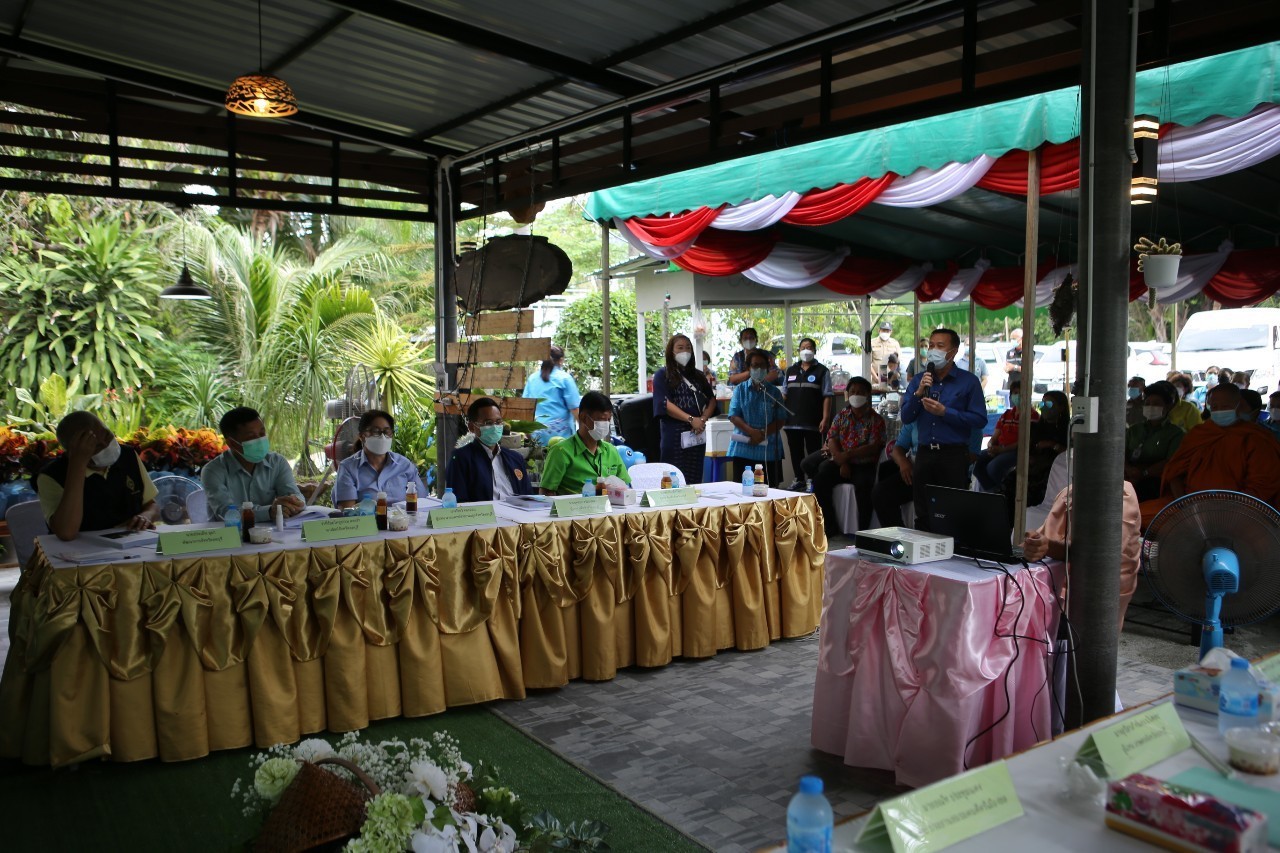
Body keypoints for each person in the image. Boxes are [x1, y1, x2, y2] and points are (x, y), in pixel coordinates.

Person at [1140, 382, 1280, 527]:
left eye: (1225, 407)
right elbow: (1175, 473)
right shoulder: (1199, 434)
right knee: (1134, 515)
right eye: (1214, 407)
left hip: (1240, 509)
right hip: (1189, 504)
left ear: (1238, 406)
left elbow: (1263, 485)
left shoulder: (1256, 438)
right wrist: (1185, 505)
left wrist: (1226, 511)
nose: (1219, 411)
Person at [1021, 480, 1142, 633]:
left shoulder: (1121, 495)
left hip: (1093, 593)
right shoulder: (1069, 491)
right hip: (1055, 582)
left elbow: (1098, 554)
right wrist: (1033, 543)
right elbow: (1045, 537)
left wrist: (1047, 547)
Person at [900, 328, 987, 530]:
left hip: (953, 455)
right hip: (924, 454)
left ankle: (951, 557)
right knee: (923, 512)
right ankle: (922, 557)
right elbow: (906, 416)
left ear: (953, 352)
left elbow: (979, 419)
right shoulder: (918, 380)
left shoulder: (969, 382)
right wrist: (919, 393)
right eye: (931, 345)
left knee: (952, 512)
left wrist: (945, 412)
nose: (933, 350)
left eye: (940, 346)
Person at [35, 411, 159, 540]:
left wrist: (146, 515)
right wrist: (78, 464)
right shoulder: (51, 475)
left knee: (176, 547)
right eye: (96, 445)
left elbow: (152, 505)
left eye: (107, 435)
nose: (106, 445)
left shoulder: (128, 455)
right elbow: (66, 532)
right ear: (73, 451)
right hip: (82, 553)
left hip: (132, 544)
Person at [804, 378, 885, 535]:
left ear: (868, 394)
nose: (856, 395)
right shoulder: (842, 415)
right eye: (853, 391)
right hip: (842, 462)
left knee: (864, 488)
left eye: (860, 392)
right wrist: (842, 462)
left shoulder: (876, 420)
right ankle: (830, 526)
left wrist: (846, 456)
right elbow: (832, 438)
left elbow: (873, 447)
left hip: (864, 465)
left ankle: (863, 533)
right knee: (820, 482)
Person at [872, 419, 984, 529]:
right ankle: (897, 538)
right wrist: (903, 462)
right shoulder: (915, 417)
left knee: (932, 508)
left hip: (949, 475)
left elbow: (973, 455)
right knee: (881, 493)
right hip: (915, 472)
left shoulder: (968, 420)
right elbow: (898, 448)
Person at [202, 406, 305, 522]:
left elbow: (295, 495)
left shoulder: (277, 462)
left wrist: (293, 502)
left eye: (262, 433)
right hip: (228, 535)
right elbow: (227, 513)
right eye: (251, 437)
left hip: (272, 535)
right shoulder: (213, 471)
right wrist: (269, 511)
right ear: (232, 443)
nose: (260, 440)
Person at [652, 333, 718, 485]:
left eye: (688, 348)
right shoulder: (663, 374)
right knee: (673, 478)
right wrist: (690, 419)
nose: (685, 352)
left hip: (697, 433)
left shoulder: (699, 376)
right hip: (674, 433)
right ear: (671, 351)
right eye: (680, 348)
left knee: (694, 478)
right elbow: (664, 403)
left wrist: (702, 419)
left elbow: (711, 401)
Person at [540, 391, 631, 495]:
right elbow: (546, 492)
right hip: (574, 509)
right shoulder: (561, 452)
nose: (605, 424)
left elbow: (625, 486)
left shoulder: (611, 451)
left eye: (608, 420)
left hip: (610, 508)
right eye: (601, 420)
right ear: (583, 417)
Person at [334, 409, 426, 508]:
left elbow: (422, 502)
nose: (382, 436)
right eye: (376, 431)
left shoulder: (404, 465)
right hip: (368, 522)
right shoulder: (348, 468)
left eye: (387, 432)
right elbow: (348, 512)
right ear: (362, 436)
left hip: (403, 522)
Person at [446, 397, 532, 502]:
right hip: (483, 516)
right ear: (472, 427)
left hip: (517, 515)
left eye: (498, 422)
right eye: (488, 423)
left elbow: (528, 498)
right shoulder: (461, 459)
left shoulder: (515, 459)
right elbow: (459, 501)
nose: (495, 427)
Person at [727, 349, 788, 486]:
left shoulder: (774, 392)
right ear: (748, 368)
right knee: (742, 492)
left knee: (771, 492)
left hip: (769, 449)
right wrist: (752, 432)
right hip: (744, 447)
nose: (758, 369)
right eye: (755, 365)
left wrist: (762, 433)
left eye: (762, 365)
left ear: (767, 368)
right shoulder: (740, 390)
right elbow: (733, 416)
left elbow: (781, 419)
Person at [782, 336, 834, 490]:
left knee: (813, 452)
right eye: (803, 347)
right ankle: (799, 479)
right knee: (795, 452)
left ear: (815, 351)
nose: (806, 350)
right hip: (791, 422)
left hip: (813, 421)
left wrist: (825, 418)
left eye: (809, 347)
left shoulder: (822, 371)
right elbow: (784, 394)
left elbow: (827, 396)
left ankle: (812, 480)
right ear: (799, 351)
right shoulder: (790, 370)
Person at [973, 375, 1037, 491]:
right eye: (1015, 393)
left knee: (993, 467)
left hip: (1017, 451)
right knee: (976, 462)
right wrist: (991, 445)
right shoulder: (1007, 414)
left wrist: (1001, 450)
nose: (1017, 396)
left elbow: (1023, 441)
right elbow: (995, 435)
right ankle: (994, 491)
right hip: (999, 448)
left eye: (1020, 393)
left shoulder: (1032, 416)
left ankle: (1001, 494)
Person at [1123, 382, 1185, 502]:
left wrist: (1144, 473)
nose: (1151, 407)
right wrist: (1128, 469)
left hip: (1156, 485)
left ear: (1167, 406)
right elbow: (1121, 453)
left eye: (1157, 404)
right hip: (1129, 480)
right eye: (1148, 403)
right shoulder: (1134, 430)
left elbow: (1170, 462)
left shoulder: (1175, 433)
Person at [521, 345, 582, 440]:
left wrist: (528, 435)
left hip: (536, 434)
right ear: (561, 360)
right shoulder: (565, 379)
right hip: (560, 436)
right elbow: (575, 410)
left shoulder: (532, 379)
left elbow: (525, 409)